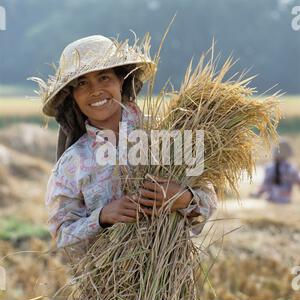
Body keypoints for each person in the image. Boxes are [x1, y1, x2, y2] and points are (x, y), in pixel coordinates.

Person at [29, 35, 218, 255]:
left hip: (171, 276)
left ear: (122, 80)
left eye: (104, 78)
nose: (95, 90)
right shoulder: (72, 162)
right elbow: (62, 237)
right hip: (107, 286)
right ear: (73, 96)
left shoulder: (162, 133)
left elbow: (209, 200)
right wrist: (101, 217)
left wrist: (182, 197)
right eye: (82, 83)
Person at [251, 139, 300, 203]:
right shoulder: (292, 169)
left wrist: (256, 193)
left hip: (271, 200)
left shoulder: (269, 168)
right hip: (286, 200)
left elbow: (264, 186)